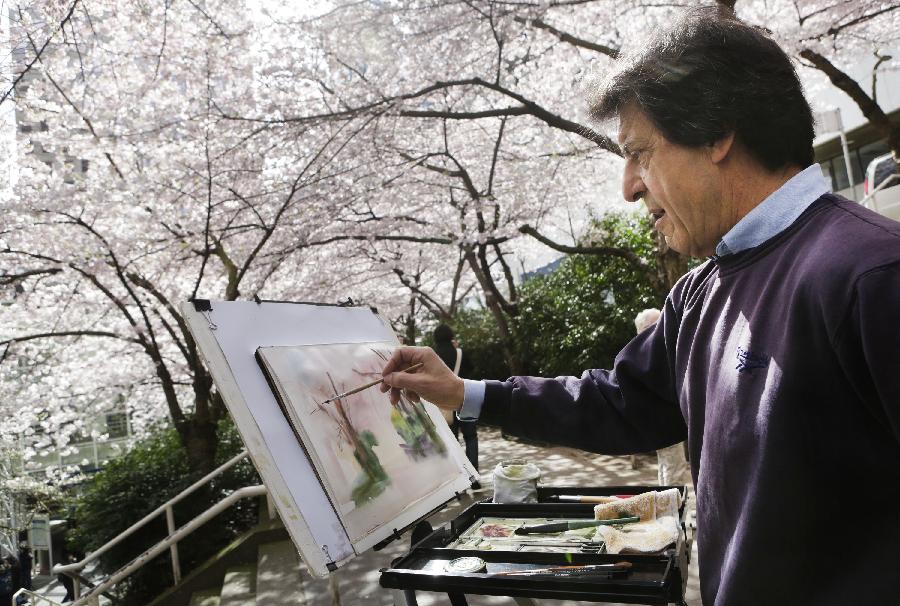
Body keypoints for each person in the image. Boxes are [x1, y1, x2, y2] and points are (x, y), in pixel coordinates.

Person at [380, 7, 900, 605]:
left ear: (717, 133)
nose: (628, 187)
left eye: (640, 153)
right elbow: (619, 402)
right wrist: (467, 393)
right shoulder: (702, 293)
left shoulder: (872, 275)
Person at [634, 308, 690, 487]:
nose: (664, 326)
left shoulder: (641, 350)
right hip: (663, 417)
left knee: (667, 463)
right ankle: (674, 507)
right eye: (659, 322)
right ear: (648, 327)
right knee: (674, 465)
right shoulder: (653, 351)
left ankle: (668, 503)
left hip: (658, 418)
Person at [431, 324, 480, 481]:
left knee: (452, 441)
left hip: (444, 404)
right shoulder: (459, 353)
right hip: (466, 401)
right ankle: (474, 477)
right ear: (451, 335)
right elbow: (473, 371)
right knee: (471, 437)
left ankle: (460, 480)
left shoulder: (433, 356)